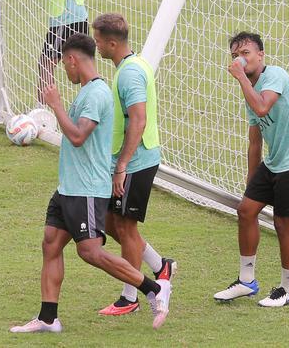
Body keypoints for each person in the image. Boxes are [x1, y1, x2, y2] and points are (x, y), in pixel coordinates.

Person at [11, 34, 172, 334]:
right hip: (68, 188)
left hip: (86, 189)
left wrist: (56, 106)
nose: (65, 71)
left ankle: (153, 289)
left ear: (73, 60)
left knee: (90, 252)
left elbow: (77, 136)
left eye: (64, 64)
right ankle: (48, 318)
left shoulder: (97, 94)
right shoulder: (87, 91)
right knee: (51, 243)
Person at [213, 31, 289, 308]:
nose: (240, 59)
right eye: (235, 55)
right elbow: (255, 140)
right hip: (274, 162)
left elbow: (262, 108)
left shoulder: (275, 75)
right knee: (246, 210)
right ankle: (246, 281)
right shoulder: (249, 88)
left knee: (283, 224)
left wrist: (240, 77)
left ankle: (287, 290)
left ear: (260, 55)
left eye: (245, 53)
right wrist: (252, 182)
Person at [90, 13, 176, 316]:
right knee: (110, 222)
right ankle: (160, 265)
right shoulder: (130, 66)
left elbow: (138, 121)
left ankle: (130, 297)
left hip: (136, 163)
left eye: (99, 41)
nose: (96, 46)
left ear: (112, 43)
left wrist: (122, 166)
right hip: (128, 160)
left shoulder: (130, 74)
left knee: (125, 227)